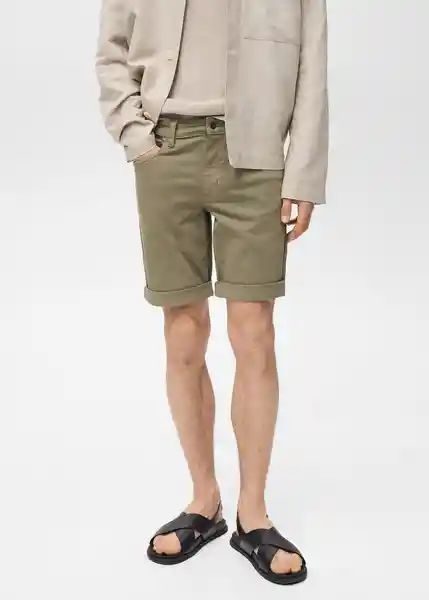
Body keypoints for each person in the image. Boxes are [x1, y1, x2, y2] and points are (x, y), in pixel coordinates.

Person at [96, 0, 328, 585]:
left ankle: (254, 515)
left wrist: (303, 172)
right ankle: (205, 501)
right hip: (164, 149)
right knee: (183, 333)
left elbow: (312, 63)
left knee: (255, 333)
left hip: (256, 156)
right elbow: (112, 49)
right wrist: (135, 134)